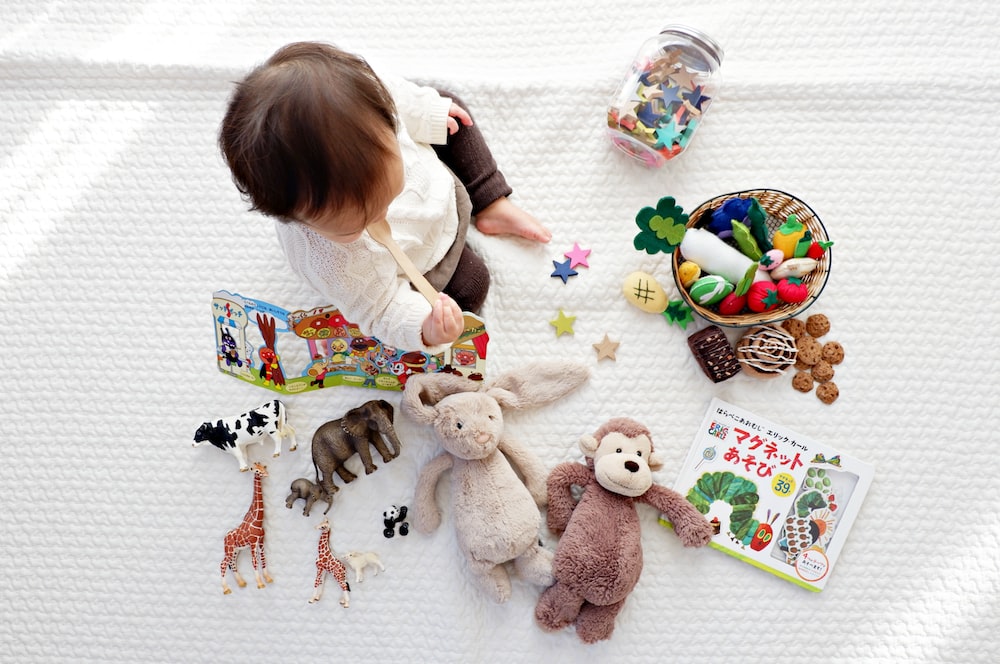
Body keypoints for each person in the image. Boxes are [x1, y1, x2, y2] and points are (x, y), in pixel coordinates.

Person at [219, 41, 550, 352]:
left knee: (450, 113)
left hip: (439, 186)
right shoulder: (333, 263)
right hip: (422, 260)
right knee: (471, 287)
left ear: (386, 123)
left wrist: (427, 113)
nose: (382, 216)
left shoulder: (371, 98)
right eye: (357, 224)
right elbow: (381, 310)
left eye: (389, 194)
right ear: (294, 219)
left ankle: (491, 202)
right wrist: (425, 328)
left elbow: (402, 99)